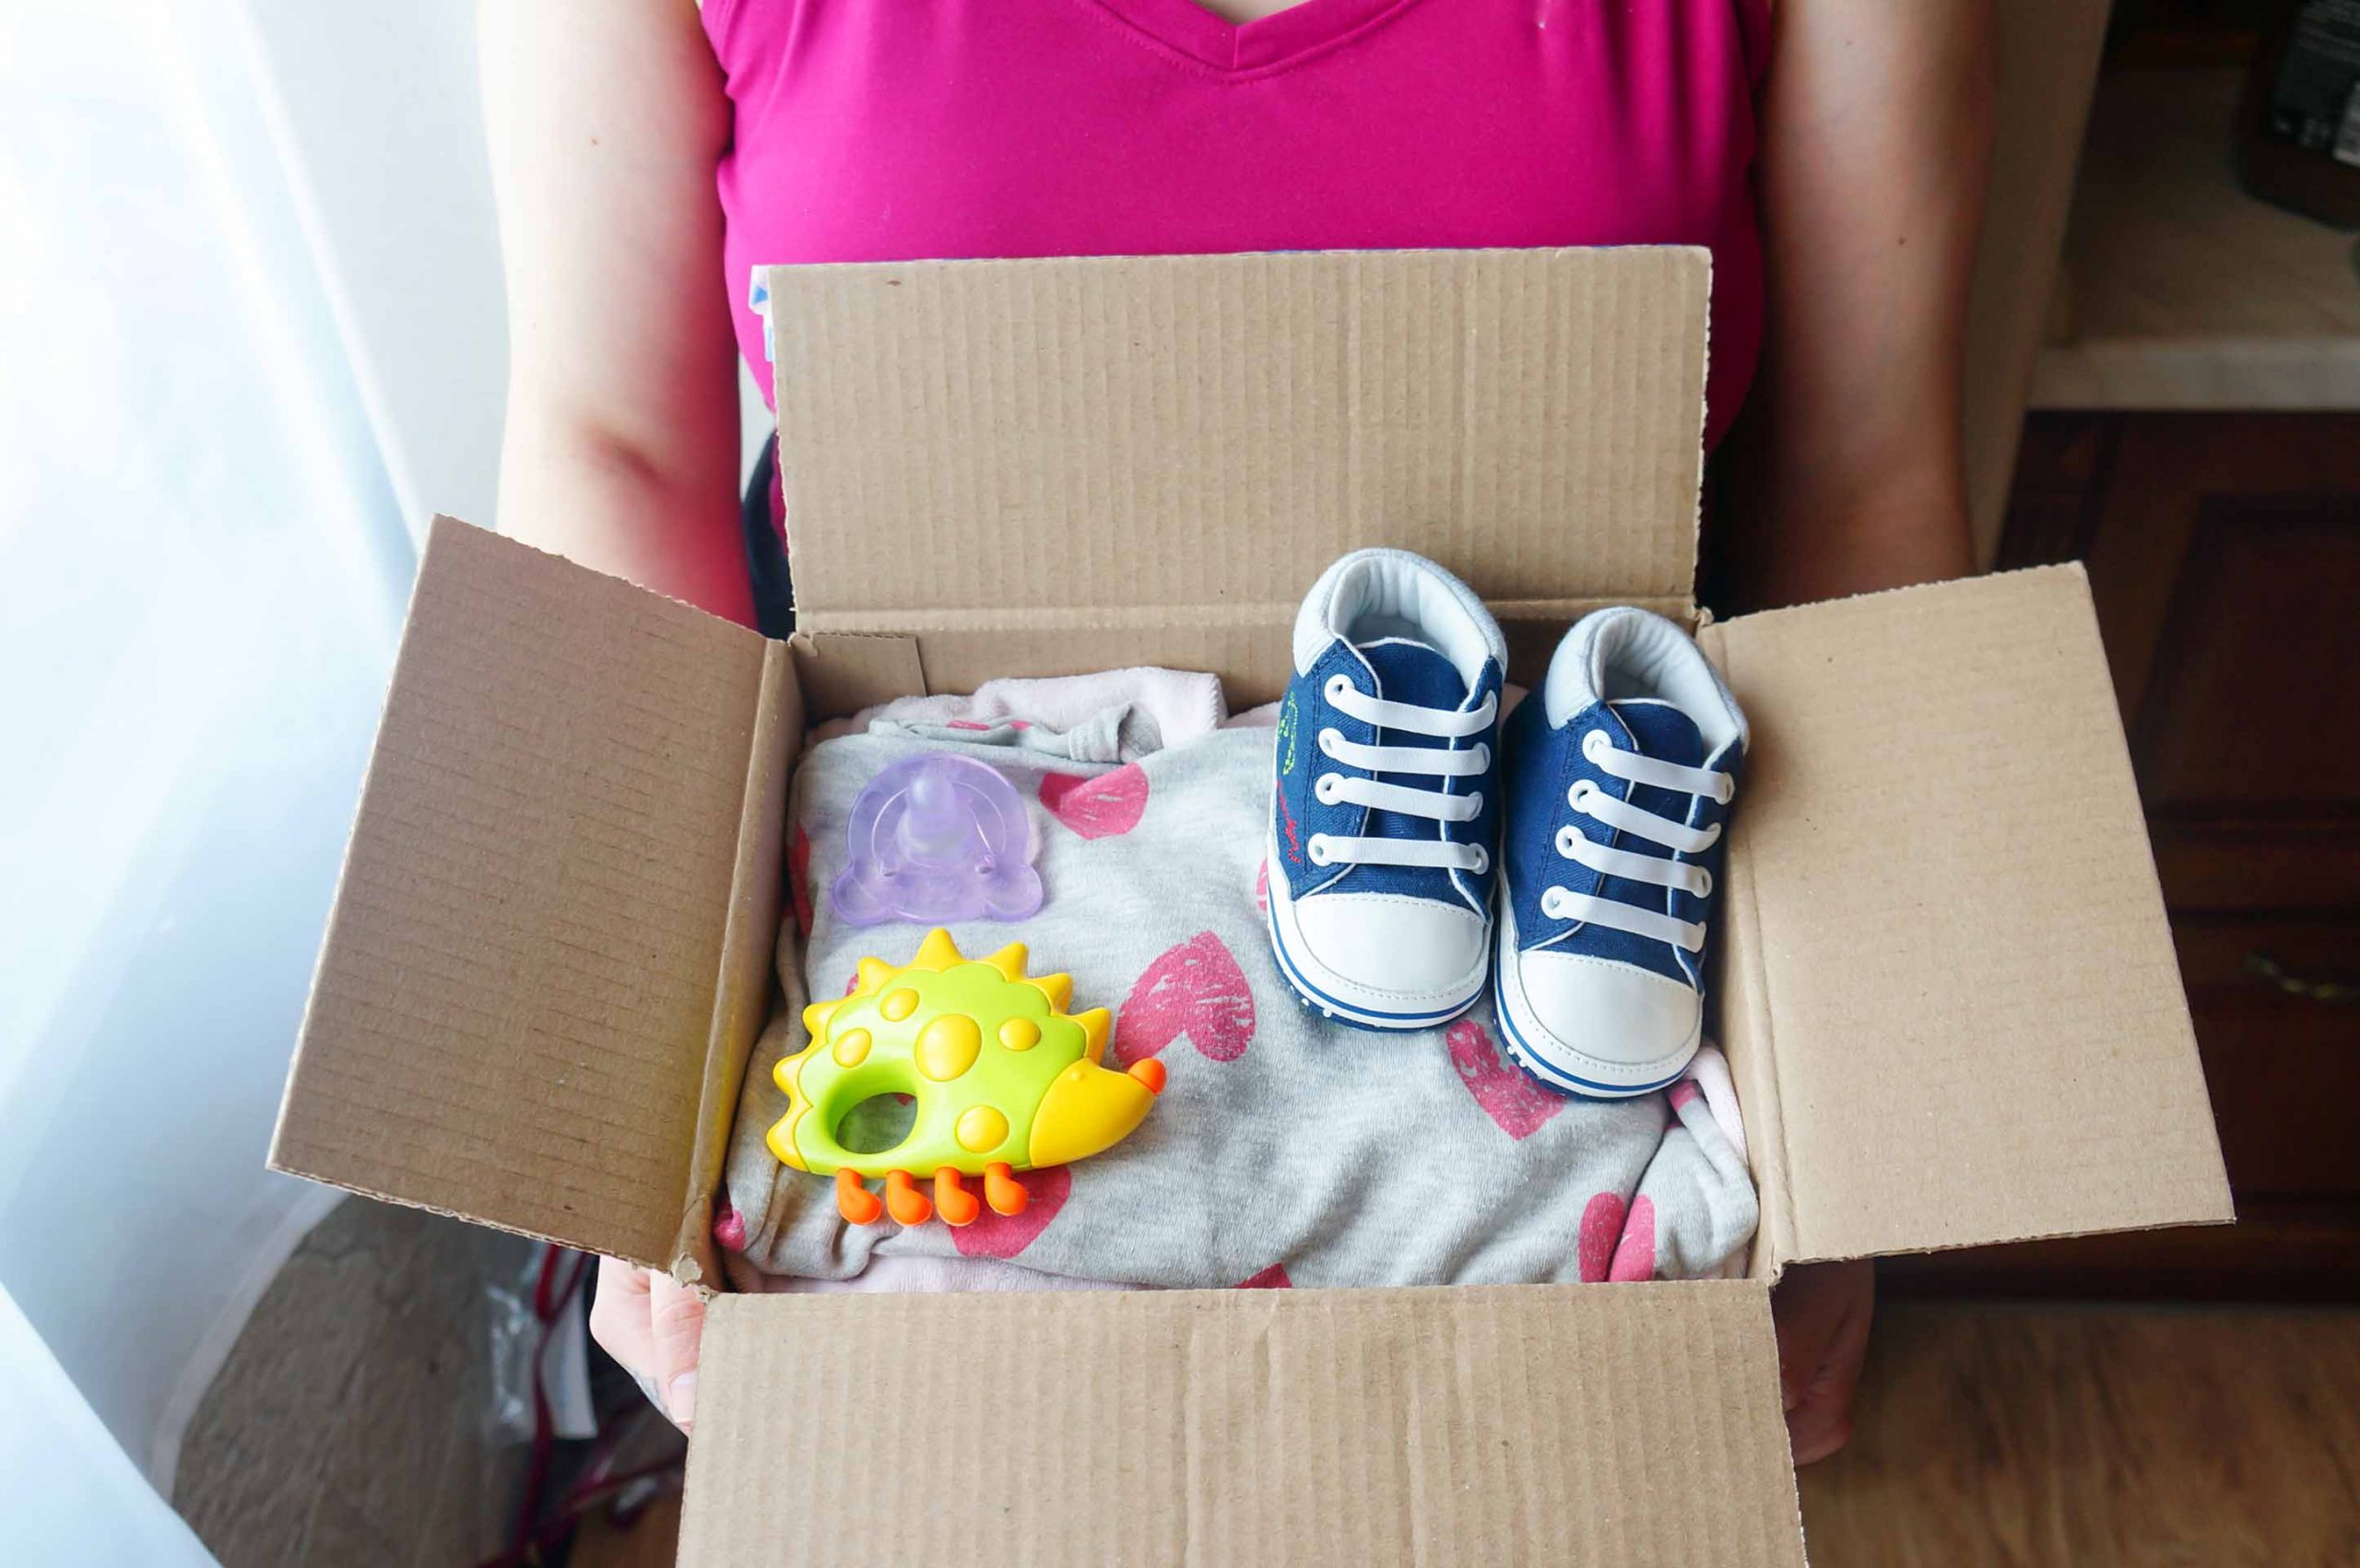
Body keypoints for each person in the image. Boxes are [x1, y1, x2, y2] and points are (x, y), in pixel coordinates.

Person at [484, 0, 1990, 1463]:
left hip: (1602, 662)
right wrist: (630, 1111)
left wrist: (1853, 1119)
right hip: (900, 739)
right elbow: (612, 440)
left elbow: (1863, 466)